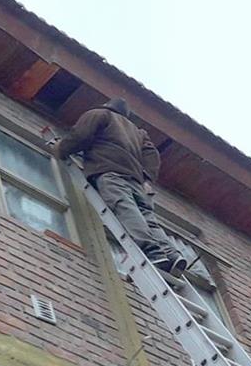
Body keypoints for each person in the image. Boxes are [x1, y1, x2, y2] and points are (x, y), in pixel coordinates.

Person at [53, 98, 187, 277]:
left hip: (109, 172)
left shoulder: (100, 114)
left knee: (125, 207)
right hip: (136, 181)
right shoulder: (139, 133)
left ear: (107, 105)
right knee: (148, 218)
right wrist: (146, 178)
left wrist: (61, 149)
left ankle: (152, 252)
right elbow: (152, 155)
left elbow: (81, 136)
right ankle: (172, 254)